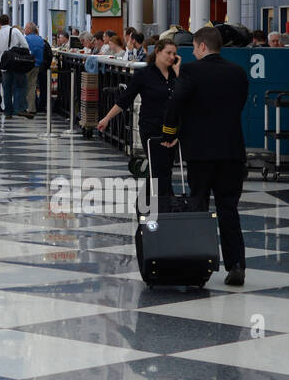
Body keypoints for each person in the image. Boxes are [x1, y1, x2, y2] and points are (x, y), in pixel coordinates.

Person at [161, 26, 250, 287]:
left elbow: (176, 102)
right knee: (228, 209)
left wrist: (169, 132)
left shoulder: (190, 71)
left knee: (198, 206)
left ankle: (198, 262)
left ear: (200, 46)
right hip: (232, 151)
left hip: (199, 152)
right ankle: (236, 266)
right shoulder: (237, 73)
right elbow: (239, 105)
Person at [97, 38, 180, 204]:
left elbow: (180, 99)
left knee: (165, 168)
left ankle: (153, 204)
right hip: (151, 127)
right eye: (168, 53)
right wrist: (107, 118)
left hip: (171, 128)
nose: (171, 57)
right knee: (158, 168)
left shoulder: (175, 75)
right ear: (157, 51)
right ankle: (159, 203)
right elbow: (126, 99)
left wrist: (177, 74)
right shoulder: (144, 74)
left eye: (174, 54)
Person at [0, 14, 31, 117]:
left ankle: (8, 112)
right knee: (20, 86)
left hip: (4, 66)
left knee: (6, 88)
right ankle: (20, 108)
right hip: (17, 64)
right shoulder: (15, 31)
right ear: (9, 21)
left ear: (0, 22)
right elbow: (25, 45)